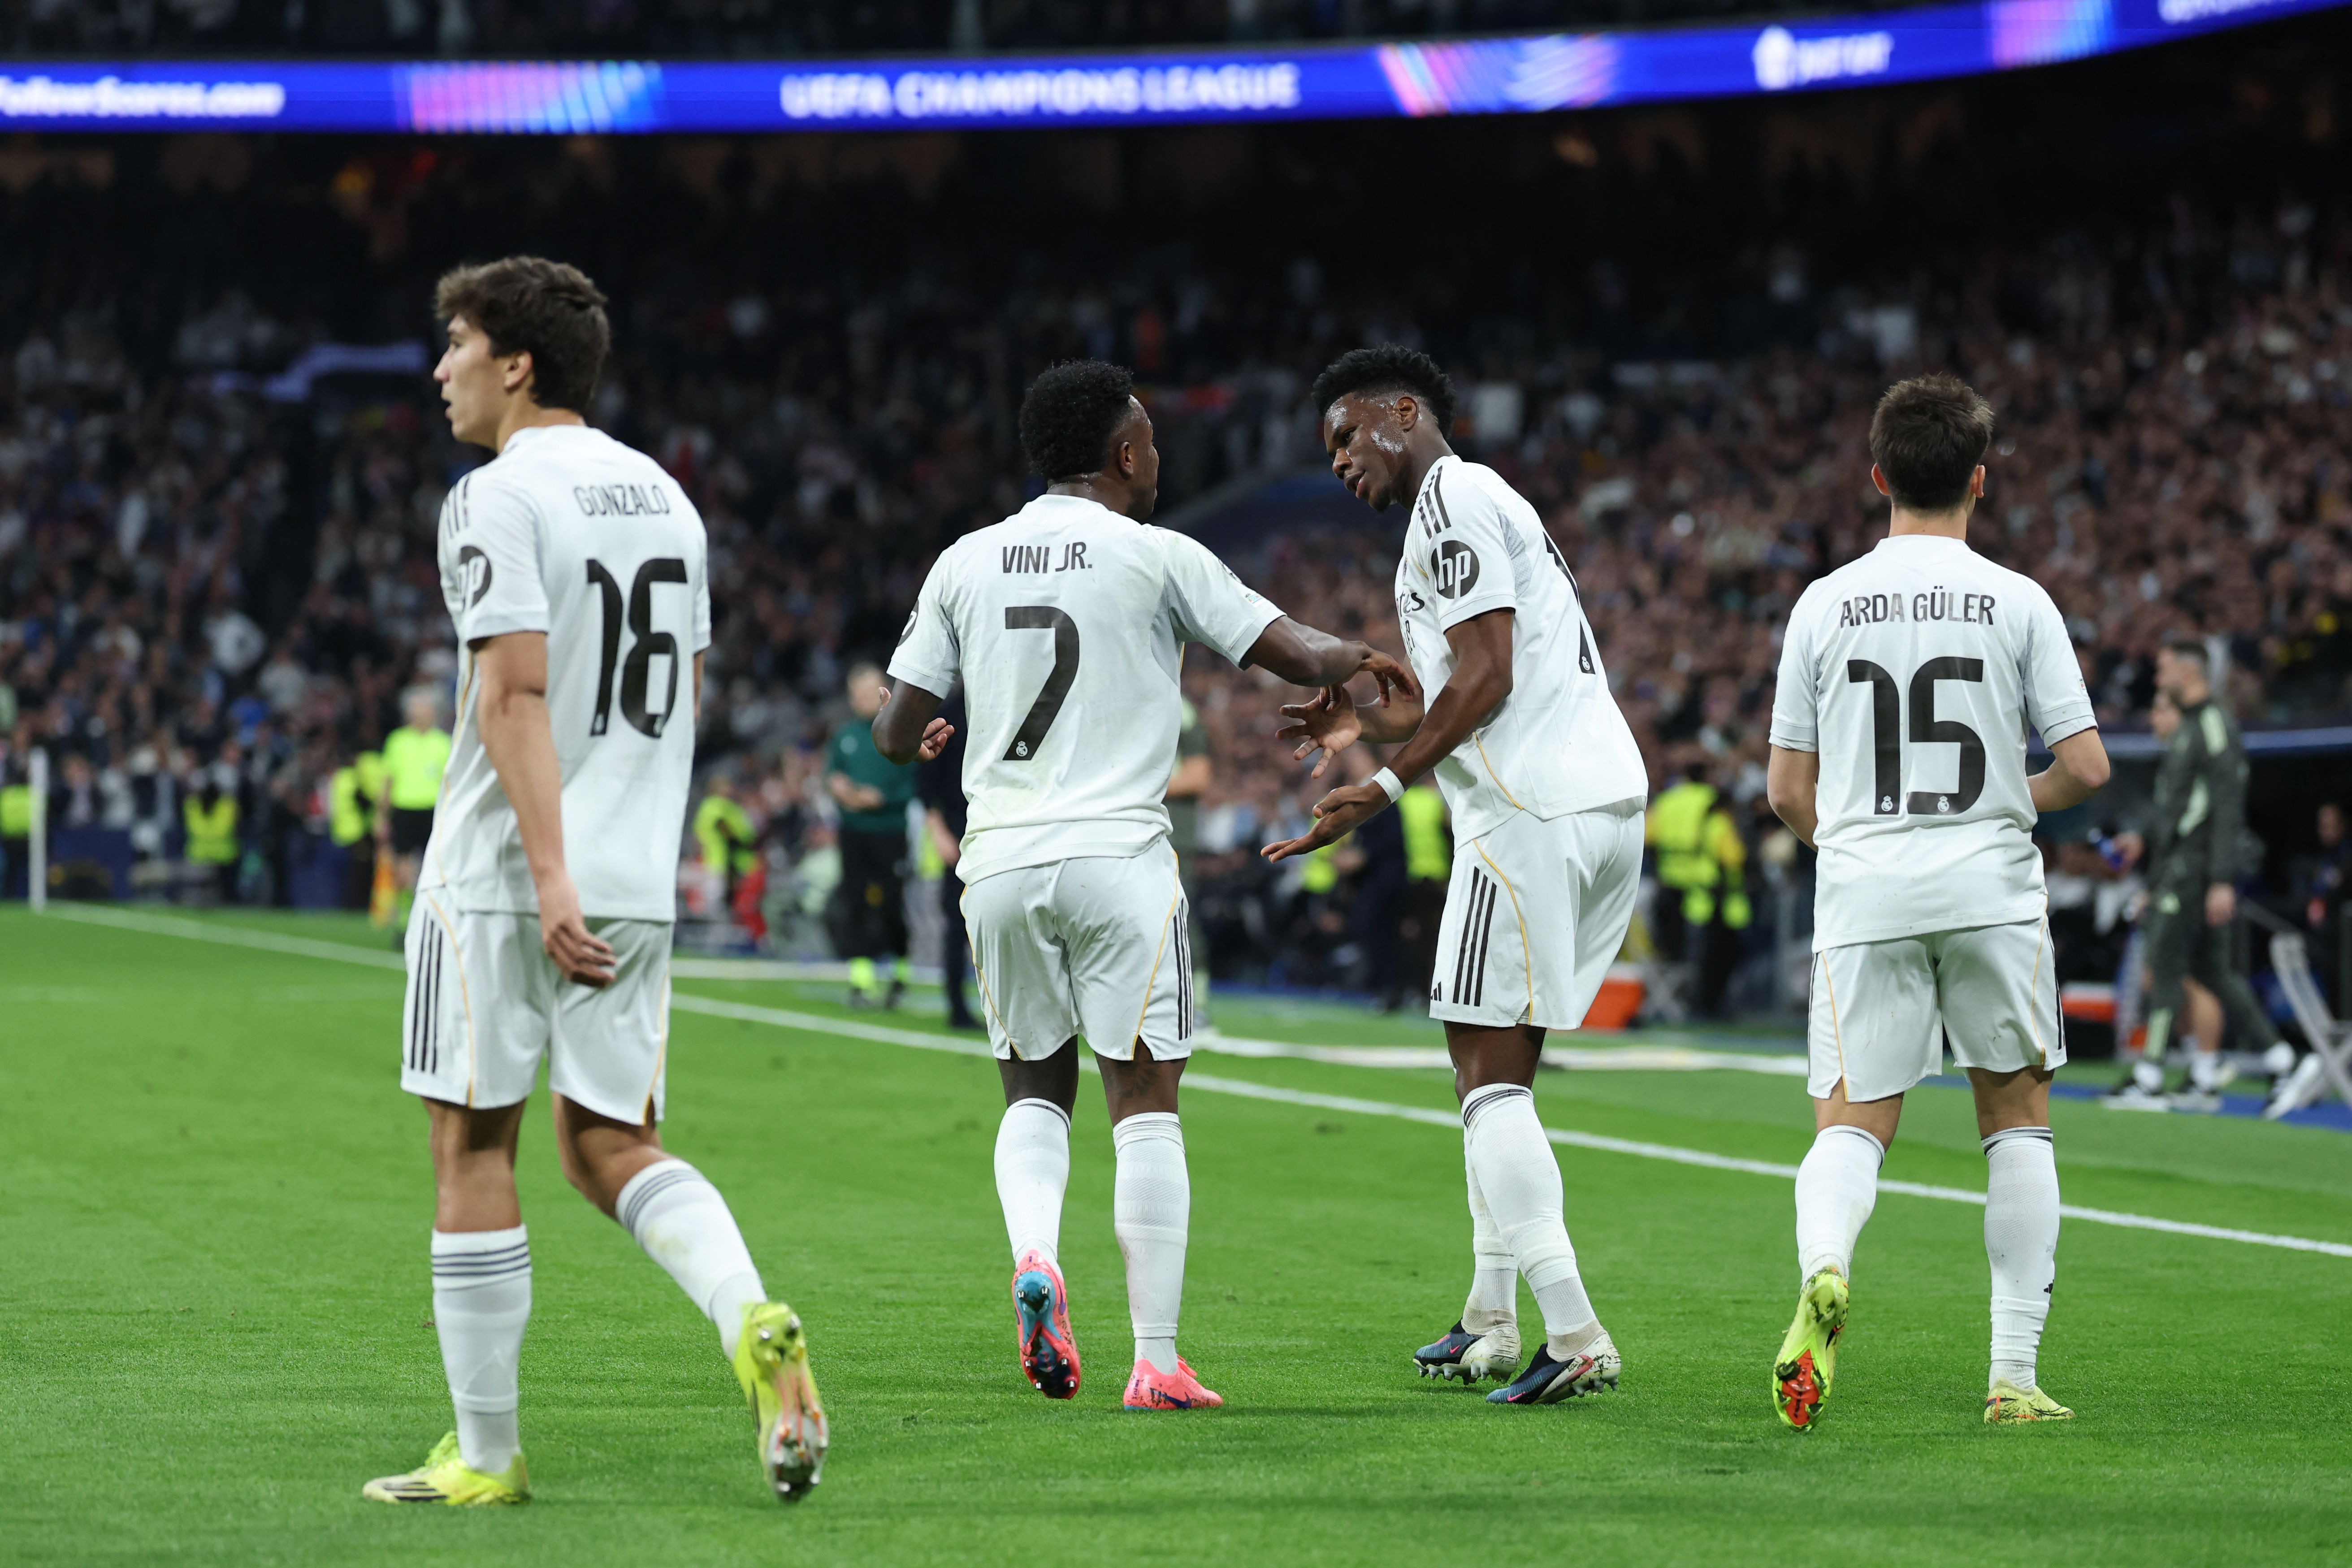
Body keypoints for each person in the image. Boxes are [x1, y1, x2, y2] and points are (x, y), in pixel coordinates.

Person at [364, 256, 824, 1510]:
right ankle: (750, 1320)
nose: (440, 368)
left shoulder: (494, 496)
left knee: (472, 1147)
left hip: (512, 870)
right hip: (635, 870)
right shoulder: (667, 497)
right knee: (611, 1141)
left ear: (515, 361)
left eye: (454, 342)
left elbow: (513, 692)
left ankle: (486, 1453)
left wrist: (548, 871)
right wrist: (597, 868)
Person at [874, 358, 1414, 1413]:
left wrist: (928, 732)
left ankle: (1036, 1256)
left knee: (1033, 1086)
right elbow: (1295, 653)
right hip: (1119, 857)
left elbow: (898, 725)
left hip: (999, 862)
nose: (1158, 454)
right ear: (1123, 452)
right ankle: (1156, 1357)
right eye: (1151, 438)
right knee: (1144, 1100)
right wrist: (1363, 657)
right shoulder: (1157, 554)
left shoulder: (963, 561)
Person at [1270, 345, 1649, 1408]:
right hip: (1589, 796)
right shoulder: (1478, 507)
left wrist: (1383, 788)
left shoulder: (1449, 499)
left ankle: (1572, 1328)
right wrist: (1374, 717)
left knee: (1485, 1077)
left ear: (1404, 410)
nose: (1340, 461)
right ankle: (1490, 1315)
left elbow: (1488, 675)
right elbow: (1469, 681)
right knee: (1489, 1071)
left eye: (1346, 434)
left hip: (1526, 812)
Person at [1763, 372, 2110, 1429]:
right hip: (1989, 888)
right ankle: (2011, 1373)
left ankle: (1824, 1268)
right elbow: (2087, 766)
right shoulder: (2019, 599)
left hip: (1866, 884)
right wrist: (2006, 804)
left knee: (1852, 1122)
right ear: (1977, 478)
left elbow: (1784, 788)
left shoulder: (1822, 602)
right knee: (2013, 1120)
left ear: (1875, 476)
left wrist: (1870, 844)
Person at [2107, 640, 2281, 1105]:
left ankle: (2156, 1074)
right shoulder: (2186, 733)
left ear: (2187, 673)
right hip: (2184, 870)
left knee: (2168, 969)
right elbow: (2177, 811)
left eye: (2163, 672)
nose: (2157, 681)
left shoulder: (2209, 725)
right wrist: (2145, 842)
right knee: (2208, 973)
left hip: (2195, 872)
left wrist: (2222, 878)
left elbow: (2224, 806)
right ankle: (2263, 1062)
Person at [825, 663, 915, 1008]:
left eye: (867, 692)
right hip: (853, 832)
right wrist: (846, 793)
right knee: (855, 902)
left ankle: (900, 972)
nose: (860, 699)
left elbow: (910, 784)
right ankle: (861, 980)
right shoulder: (845, 736)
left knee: (892, 904)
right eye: (855, 693)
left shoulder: (900, 732)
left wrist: (879, 799)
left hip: (890, 832)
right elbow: (834, 776)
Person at [1647, 758, 1752, 1018]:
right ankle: (1705, 1006)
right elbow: (1732, 854)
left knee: (1674, 956)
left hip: (1669, 888)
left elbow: (1647, 836)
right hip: (1704, 891)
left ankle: (1682, 1005)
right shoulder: (1712, 803)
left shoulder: (1667, 801)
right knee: (1710, 957)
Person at [916, 691, 982, 1030]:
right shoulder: (948, 715)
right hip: (958, 831)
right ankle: (957, 1007)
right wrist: (938, 830)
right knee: (958, 926)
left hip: (1002, 828)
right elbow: (925, 781)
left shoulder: (1010, 703)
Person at [377, 688, 451, 928]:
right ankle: (405, 918)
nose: (420, 714)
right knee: (403, 868)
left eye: (424, 709)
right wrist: (382, 817)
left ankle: (433, 917)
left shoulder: (443, 743)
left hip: (434, 811)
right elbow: (388, 780)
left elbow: (451, 783)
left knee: (435, 867)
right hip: (405, 809)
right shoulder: (398, 741)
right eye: (416, 709)